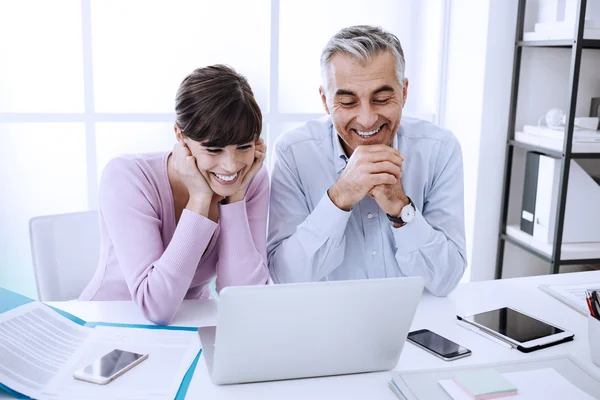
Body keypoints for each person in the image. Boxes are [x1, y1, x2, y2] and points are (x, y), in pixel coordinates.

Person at [267, 25, 466, 296]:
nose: (367, 119)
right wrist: (340, 197)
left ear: (404, 92)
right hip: (327, 327)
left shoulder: (440, 149)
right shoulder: (294, 153)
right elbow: (285, 278)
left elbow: (447, 279)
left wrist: (400, 208)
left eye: (382, 99)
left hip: (417, 326)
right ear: (325, 101)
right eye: (348, 102)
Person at [80, 65, 270, 324]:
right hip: (111, 322)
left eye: (244, 147)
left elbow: (245, 300)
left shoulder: (251, 180)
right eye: (214, 150)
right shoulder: (127, 176)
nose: (231, 165)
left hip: (190, 326)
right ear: (180, 136)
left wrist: (235, 197)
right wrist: (200, 199)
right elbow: (155, 306)